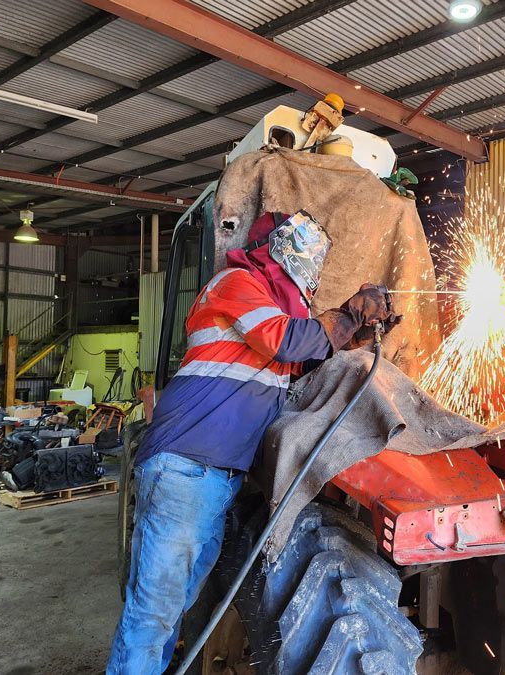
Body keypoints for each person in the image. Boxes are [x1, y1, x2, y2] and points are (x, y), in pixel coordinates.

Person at [107, 211, 397, 674]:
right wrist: (346, 315)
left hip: (211, 477)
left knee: (171, 606)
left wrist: (353, 331)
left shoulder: (268, 317)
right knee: (154, 612)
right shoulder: (236, 284)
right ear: (281, 256)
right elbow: (284, 340)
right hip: (185, 468)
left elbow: (300, 359)